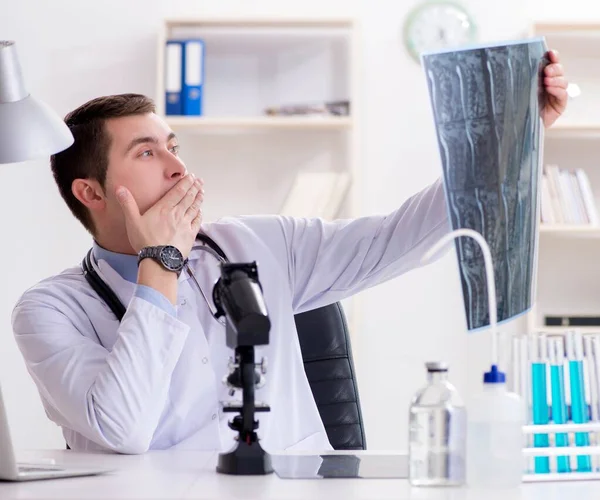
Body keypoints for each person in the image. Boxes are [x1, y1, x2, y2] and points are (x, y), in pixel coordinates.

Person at [11, 51, 569, 455]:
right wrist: (161, 262)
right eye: (147, 152)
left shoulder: (258, 243)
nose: (178, 167)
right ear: (92, 192)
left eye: (174, 148)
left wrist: (517, 135)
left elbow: (400, 236)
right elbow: (123, 429)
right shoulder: (48, 311)